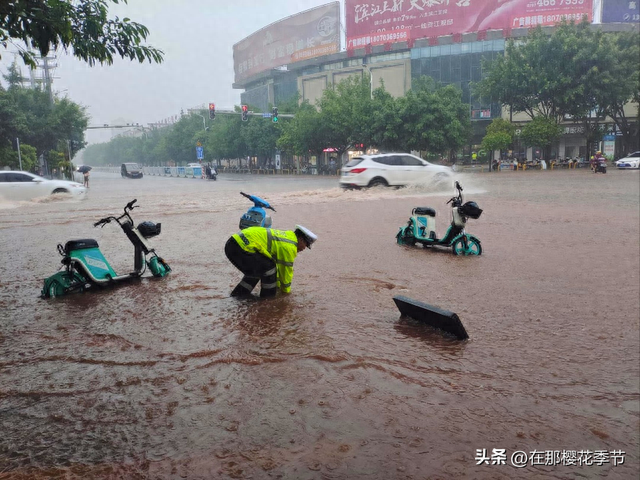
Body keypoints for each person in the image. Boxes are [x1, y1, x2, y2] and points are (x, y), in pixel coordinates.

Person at [225, 225, 317, 298]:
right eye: (306, 244)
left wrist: (276, 286)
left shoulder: (287, 237)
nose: (304, 248)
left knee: (258, 270)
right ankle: (267, 300)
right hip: (239, 247)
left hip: (233, 244)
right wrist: (286, 293)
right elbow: (285, 273)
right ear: (300, 239)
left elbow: (278, 269)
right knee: (269, 268)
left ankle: (238, 295)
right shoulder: (289, 247)